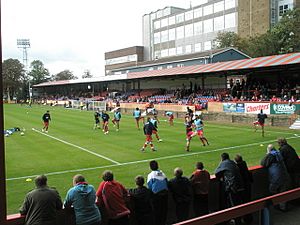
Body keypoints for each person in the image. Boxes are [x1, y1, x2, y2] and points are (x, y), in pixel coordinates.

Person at [215, 153, 244, 225]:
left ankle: (237, 221)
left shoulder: (224, 163)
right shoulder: (232, 162)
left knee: (234, 204)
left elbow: (216, 172)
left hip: (232, 187)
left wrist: (220, 163)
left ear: (222, 158)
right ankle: (238, 219)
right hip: (240, 185)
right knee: (237, 203)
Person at [261, 144, 290, 211]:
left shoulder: (271, 155)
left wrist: (267, 154)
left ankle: (276, 205)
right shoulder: (279, 153)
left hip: (276, 178)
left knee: (272, 190)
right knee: (283, 192)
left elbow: (263, 163)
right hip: (284, 175)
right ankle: (283, 207)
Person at [147, 160, 168, 225]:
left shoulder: (151, 175)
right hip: (165, 196)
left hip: (156, 197)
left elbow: (149, 187)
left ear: (150, 167)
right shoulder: (162, 173)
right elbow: (166, 182)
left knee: (157, 214)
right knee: (163, 212)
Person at [234, 154, 253, 223]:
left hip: (242, 187)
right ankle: (249, 218)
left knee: (241, 203)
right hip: (247, 186)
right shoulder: (244, 165)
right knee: (247, 201)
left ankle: (243, 219)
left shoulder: (237, 167)